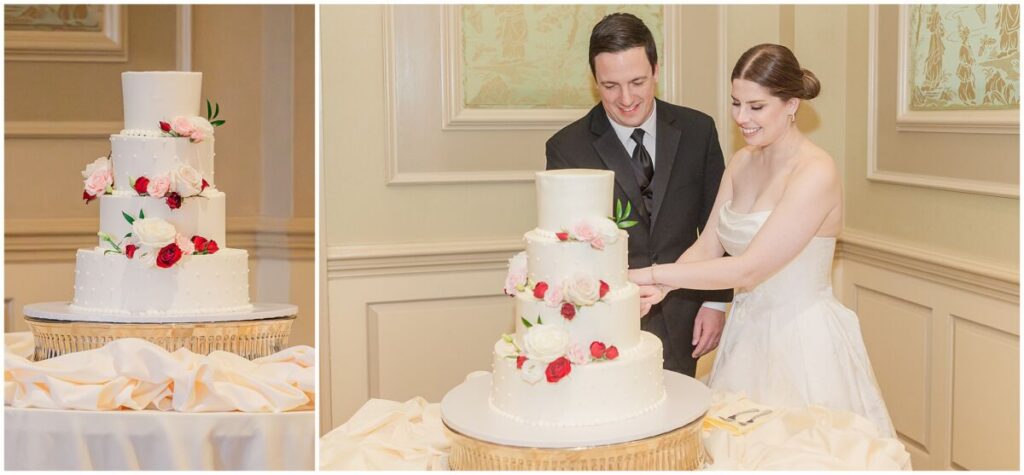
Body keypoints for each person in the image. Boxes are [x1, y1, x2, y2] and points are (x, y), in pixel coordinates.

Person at [628, 43, 896, 437]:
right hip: (747, 335)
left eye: (756, 107)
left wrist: (649, 274)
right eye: (736, 103)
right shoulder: (742, 162)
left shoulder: (816, 171)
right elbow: (708, 246)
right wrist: (661, 287)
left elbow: (750, 265)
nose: (741, 118)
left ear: (791, 104)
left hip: (802, 341)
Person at [546, 12, 732, 377]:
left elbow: (718, 223)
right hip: (604, 322)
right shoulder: (567, 147)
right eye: (610, 85)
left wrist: (715, 302)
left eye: (637, 81)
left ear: (656, 70)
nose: (626, 98)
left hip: (685, 312)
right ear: (594, 80)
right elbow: (566, 250)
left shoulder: (698, 130)